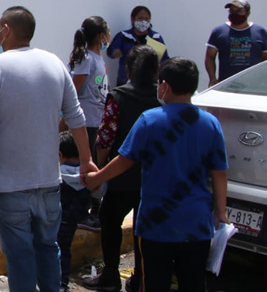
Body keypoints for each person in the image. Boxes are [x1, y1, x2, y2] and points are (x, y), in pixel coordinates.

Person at [0, 6, 97, 292]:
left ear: (6, 30)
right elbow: (77, 116)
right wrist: (87, 160)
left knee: (20, 258)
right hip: (50, 185)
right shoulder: (54, 62)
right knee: (47, 249)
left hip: (11, 188)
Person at [83, 58, 228, 292]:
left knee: (154, 283)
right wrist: (220, 211)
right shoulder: (210, 123)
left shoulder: (150, 119)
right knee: (193, 283)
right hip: (196, 223)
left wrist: (97, 178)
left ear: (165, 86)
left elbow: (125, 160)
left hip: (156, 224)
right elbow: (219, 173)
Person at [83, 45, 159, 292]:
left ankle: (111, 274)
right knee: (142, 227)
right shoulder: (162, 96)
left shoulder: (118, 96)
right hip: (153, 177)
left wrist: (101, 168)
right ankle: (140, 278)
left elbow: (105, 138)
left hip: (121, 174)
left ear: (128, 69)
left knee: (109, 220)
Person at [68, 16, 111, 229]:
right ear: (102, 36)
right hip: (86, 120)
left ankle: (95, 209)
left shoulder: (98, 59)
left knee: (96, 165)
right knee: (86, 165)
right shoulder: (86, 58)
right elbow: (74, 90)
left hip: (98, 119)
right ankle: (83, 211)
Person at [57, 131, 94, 292]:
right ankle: (62, 284)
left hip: (55, 218)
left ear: (59, 154)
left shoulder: (56, 174)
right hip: (74, 220)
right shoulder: (87, 175)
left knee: (51, 249)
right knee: (64, 250)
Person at [205, 0, 267, 87]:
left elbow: (266, 58)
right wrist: (212, 78)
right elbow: (209, 56)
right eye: (231, 10)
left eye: (239, 11)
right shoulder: (219, 31)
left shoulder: (260, 31)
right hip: (227, 85)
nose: (234, 13)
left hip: (253, 86)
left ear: (248, 13)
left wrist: (266, 80)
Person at [107, 6, 169, 86]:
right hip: (125, 81)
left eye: (146, 19)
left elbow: (165, 59)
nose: (143, 21)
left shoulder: (156, 37)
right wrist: (114, 52)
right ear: (132, 19)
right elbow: (110, 51)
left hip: (150, 82)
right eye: (140, 18)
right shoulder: (123, 36)